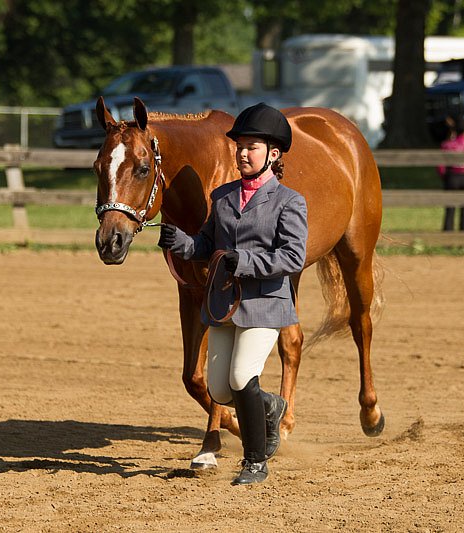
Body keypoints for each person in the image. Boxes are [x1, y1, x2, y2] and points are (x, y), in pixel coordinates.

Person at [157, 103, 308, 485]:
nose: (242, 153)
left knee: (242, 377)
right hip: (224, 304)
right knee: (220, 389)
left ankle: (255, 461)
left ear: (273, 155)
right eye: (239, 146)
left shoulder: (290, 201)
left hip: (264, 303)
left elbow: (292, 257)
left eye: (251, 147)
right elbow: (207, 245)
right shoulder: (222, 197)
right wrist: (182, 244)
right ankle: (271, 405)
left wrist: (242, 261)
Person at [438, 113, 464, 231]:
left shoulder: (447, 145)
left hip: (452, 177)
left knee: (450, 208)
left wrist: (444, 176)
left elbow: (440, 166)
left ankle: (448, 232)